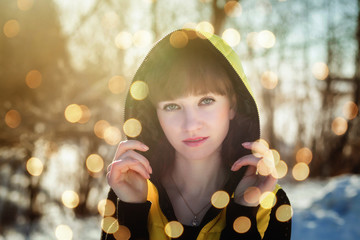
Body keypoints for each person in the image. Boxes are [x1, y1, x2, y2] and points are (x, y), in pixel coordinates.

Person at [101, 28, 291, 240]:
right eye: (172, 106)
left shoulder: (270, 201)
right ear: (155, 116)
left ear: (232, 106)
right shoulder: (125, 191)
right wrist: (133, 212)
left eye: (206, 101)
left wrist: (244, 210)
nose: (190, 125)